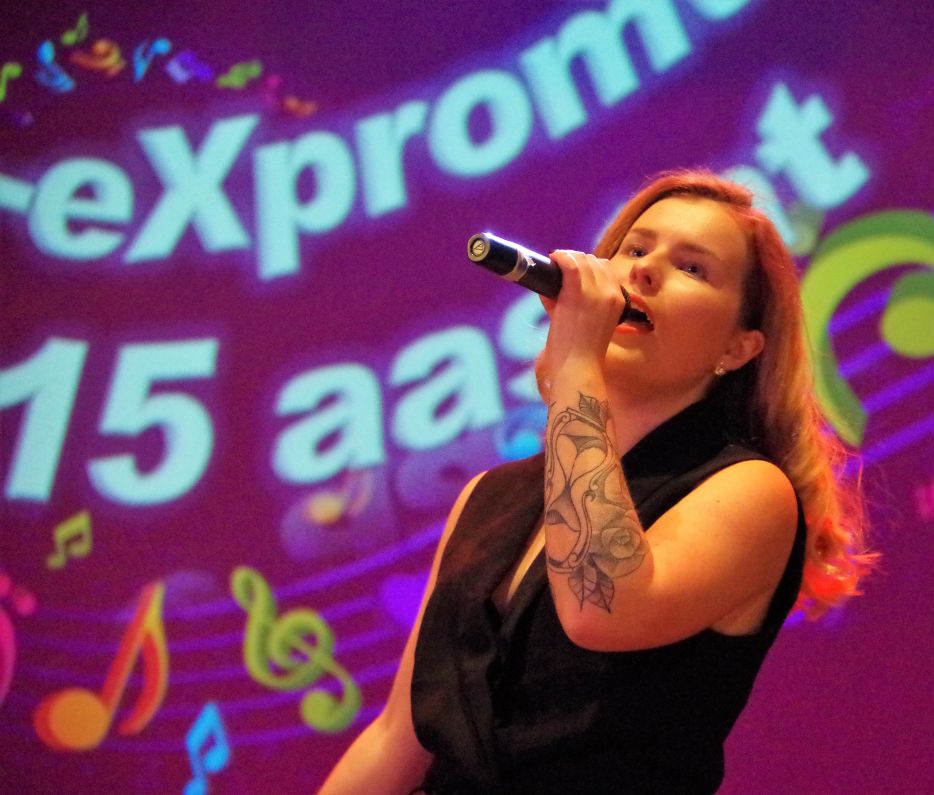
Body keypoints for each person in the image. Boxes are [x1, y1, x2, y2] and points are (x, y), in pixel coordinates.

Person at [319, 169, 876, 794]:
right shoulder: (490, 497)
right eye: (634, 250)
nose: (644, 271)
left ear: (737, 349)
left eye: (692, 268)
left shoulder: (750, 490)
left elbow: (601, 608)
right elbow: (399, 737)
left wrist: (576, 362)